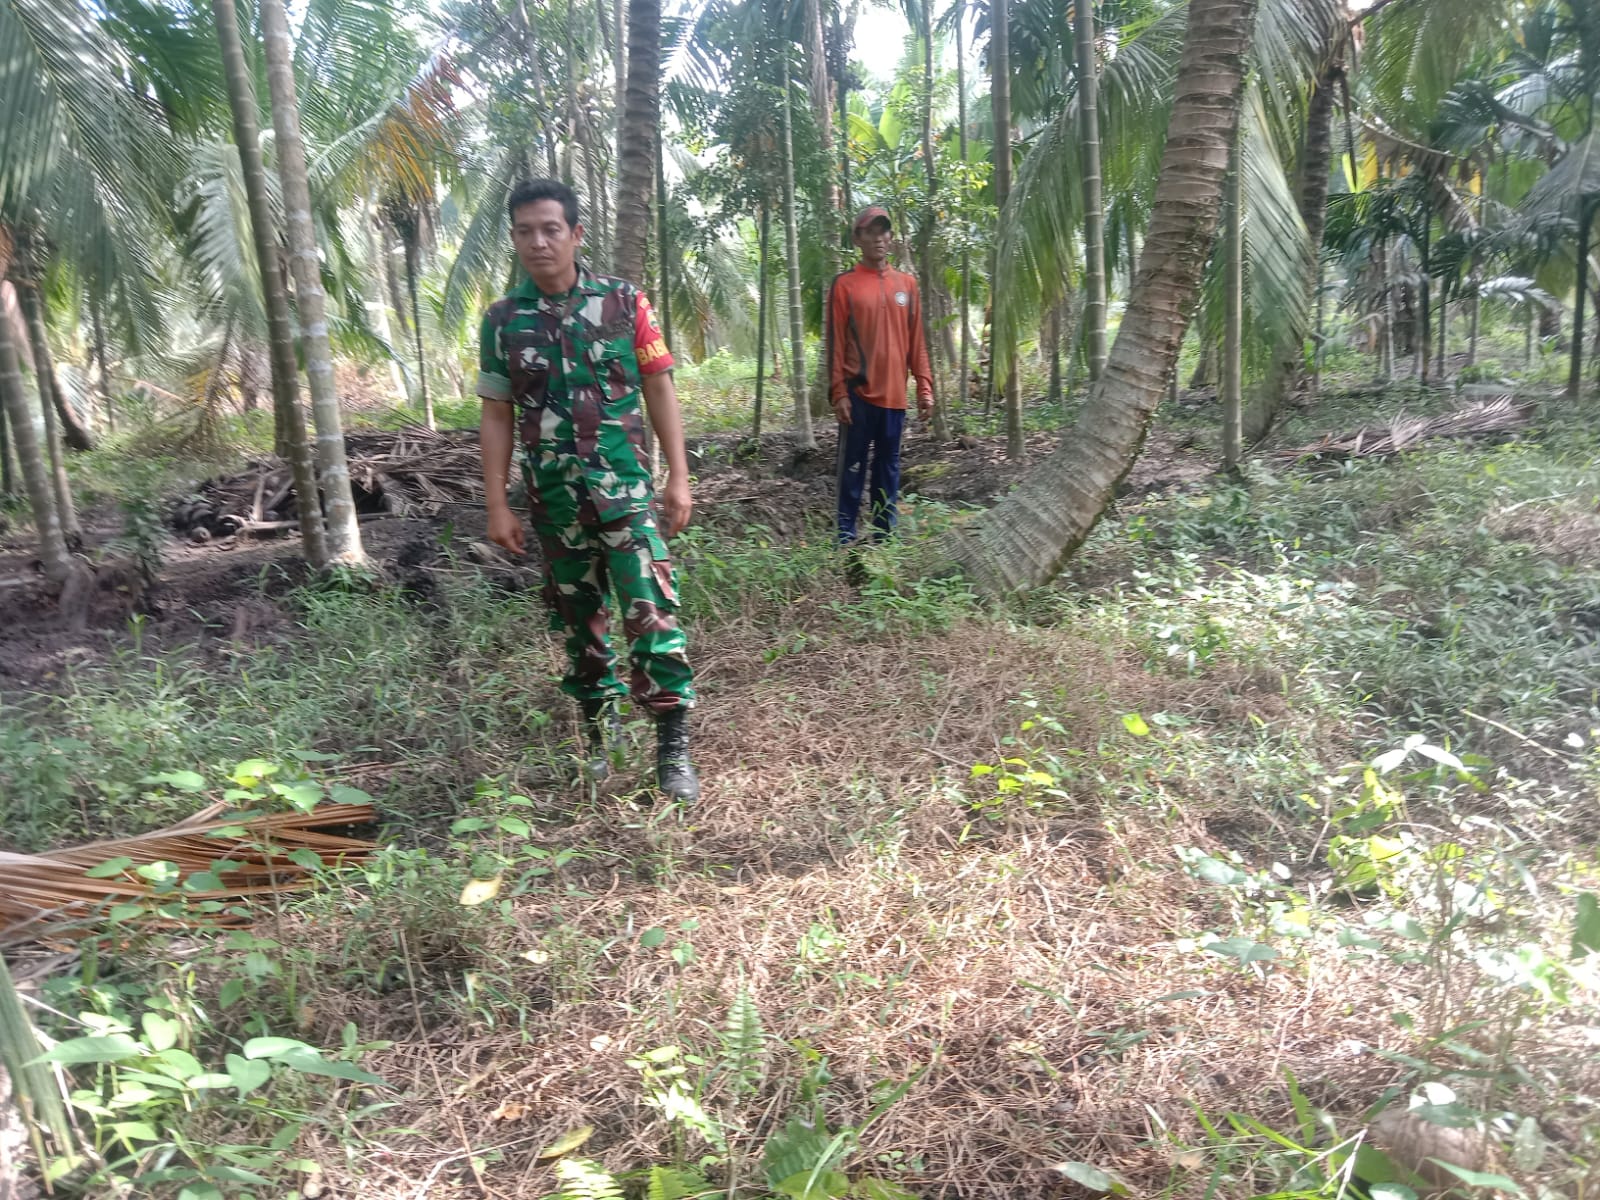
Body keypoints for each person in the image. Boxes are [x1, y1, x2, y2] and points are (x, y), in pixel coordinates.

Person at [476, 179, 699, 802]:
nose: (538, 242)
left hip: (625, 491)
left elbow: (659, 386)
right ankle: (598, 735)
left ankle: (672, 747)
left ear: (576, 234)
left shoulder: (623, 302)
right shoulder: (503, 320)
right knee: (582, 625)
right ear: (515, 238)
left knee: (650, 612)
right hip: (553, 501)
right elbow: (496, 413)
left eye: (551, 229)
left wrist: (677, 475)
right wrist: (497, 501)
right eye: (525, 231)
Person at [826, 205, 935, 546]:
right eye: (869, 231)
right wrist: (838, 392)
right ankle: (845, 535)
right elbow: (835, 343)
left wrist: (925, 387)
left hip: (894, 397)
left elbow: (917, 341)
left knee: (889, 469)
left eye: (883, 231)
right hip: (858, 395)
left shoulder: (908, 285)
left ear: (891, 237)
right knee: (853, 467)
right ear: (858, 238)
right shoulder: (845, 285)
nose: (878, 238)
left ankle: (884, 535)